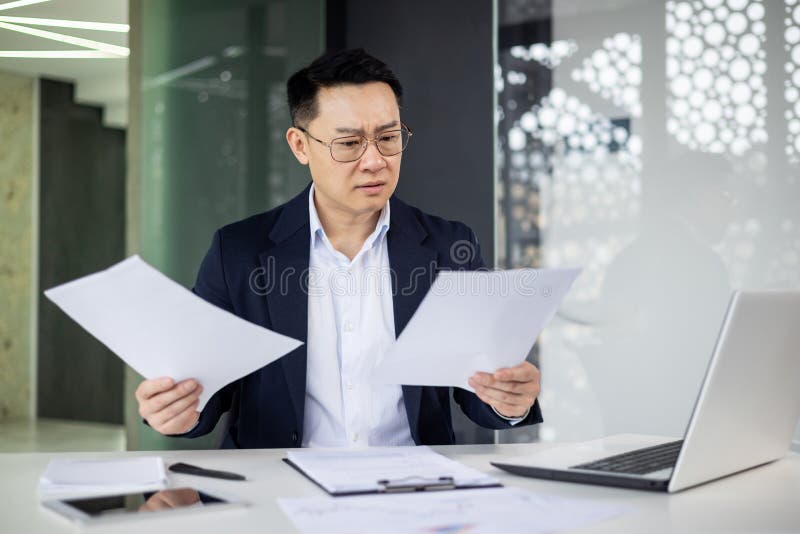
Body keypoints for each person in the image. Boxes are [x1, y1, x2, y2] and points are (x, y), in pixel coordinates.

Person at [134, 49, 542, 448]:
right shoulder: (238, 251)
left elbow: (476, 391)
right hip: (280, 492)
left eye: (388, 137)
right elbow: (205, 391)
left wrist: (509, 401)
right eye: (349, 144)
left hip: (412, 491)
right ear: (300, 145)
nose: (375, 160)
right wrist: (180, 412)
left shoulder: (449, 246)